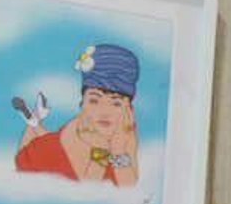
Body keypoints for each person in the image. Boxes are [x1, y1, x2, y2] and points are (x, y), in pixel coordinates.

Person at [12, 42, 142, 187]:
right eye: (94, 100)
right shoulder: (47, 151)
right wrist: (103, 151)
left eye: (116, 103)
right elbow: (88, 193)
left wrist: (118, 148)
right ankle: (34, 123)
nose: (104, 112)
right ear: (83, 102)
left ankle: (34, 122)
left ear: (128, 109)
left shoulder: (126, 133)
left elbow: (129, 190)